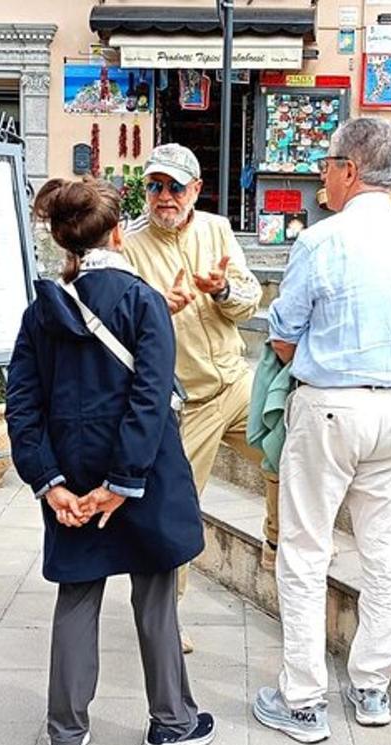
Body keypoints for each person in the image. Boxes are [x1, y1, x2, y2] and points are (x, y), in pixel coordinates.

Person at [6, 177, 214, 745]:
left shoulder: (40, 312)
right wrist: (122, 483)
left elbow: (23, 405)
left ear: (64, 241)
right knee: (155, 596)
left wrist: (51, 484)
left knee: (77, 597)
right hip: (142, 473)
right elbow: (149, 400)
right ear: (118, 232)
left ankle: (65, 736)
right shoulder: (142, 301)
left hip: (69, 476)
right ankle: (170, 724)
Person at [251, 118, 391, 743]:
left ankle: (303, 698)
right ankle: (370, 688)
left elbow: (283, 331)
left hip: (333, 405)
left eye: (327, 166)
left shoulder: (323, 240)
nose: (322, 178)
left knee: (306, 552)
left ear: (349, 170)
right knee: (384, 552)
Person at [122, 144, 279, 652]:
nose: (163, 197)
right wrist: (155, 309)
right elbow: (116, 326)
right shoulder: (128, 242)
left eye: (174, 187)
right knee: (174, 510)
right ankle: (166, 619)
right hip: (182, 400)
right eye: (155, 186)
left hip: (234, 380)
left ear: (195, 190)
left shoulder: (216, 229)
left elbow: (250, 300)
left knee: (291, 445)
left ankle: (276, 542)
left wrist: (221, 292)